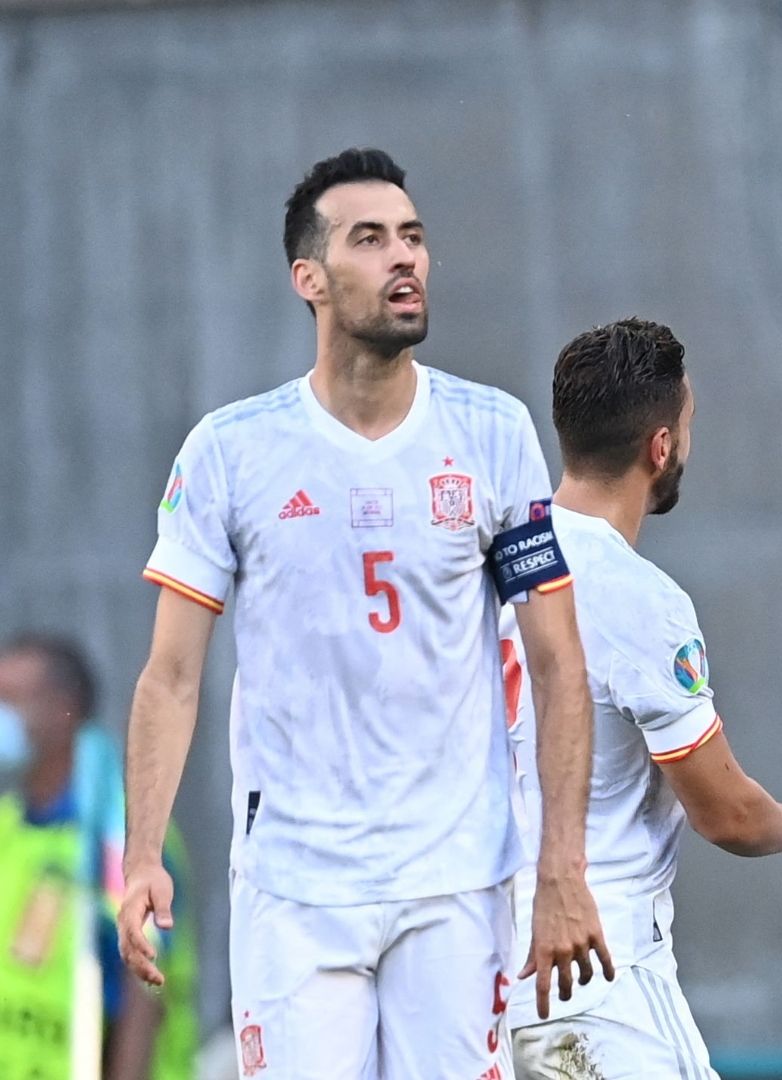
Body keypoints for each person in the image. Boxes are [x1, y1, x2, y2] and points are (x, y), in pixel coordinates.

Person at [118, 147, 612, 1079]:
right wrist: (144, 853)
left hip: (456, 881)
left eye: (415, 239)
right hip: (296, 890)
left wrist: (561, 870)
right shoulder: (230, 454)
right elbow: (171, 676)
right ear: (309, 277)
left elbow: (557, 665)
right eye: (371, 239)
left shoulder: (493, 432)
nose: (405, 259)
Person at [501, 318, 782, 1078]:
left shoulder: (496, 561)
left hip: (484, 973)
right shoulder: (636, 598)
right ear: (660, 447)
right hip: (598, 973)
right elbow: (723, 811)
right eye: (687, 426)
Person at [0, 634, 196, 1080]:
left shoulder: (119, 840)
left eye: (10, 700)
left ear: (63, 710)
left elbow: (142, 993)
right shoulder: (7, 827)